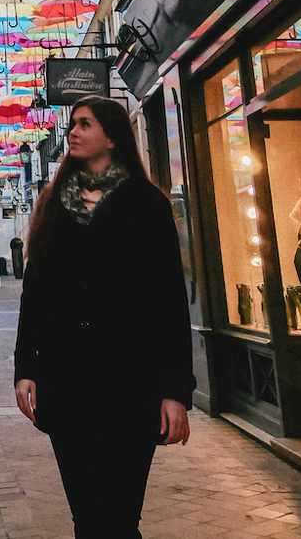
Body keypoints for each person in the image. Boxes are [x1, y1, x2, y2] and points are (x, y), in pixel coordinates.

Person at [14, 96, 194, 539]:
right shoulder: (54, 203)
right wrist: (26, 369)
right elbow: (35, 293)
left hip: (132, 384)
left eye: (84, 124)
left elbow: (170, 300)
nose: (72, 132)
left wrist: (175, 391)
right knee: (87, 516)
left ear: (111, 137)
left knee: (121, 516)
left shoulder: (147, 205)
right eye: (72, 124)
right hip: (68, 381)